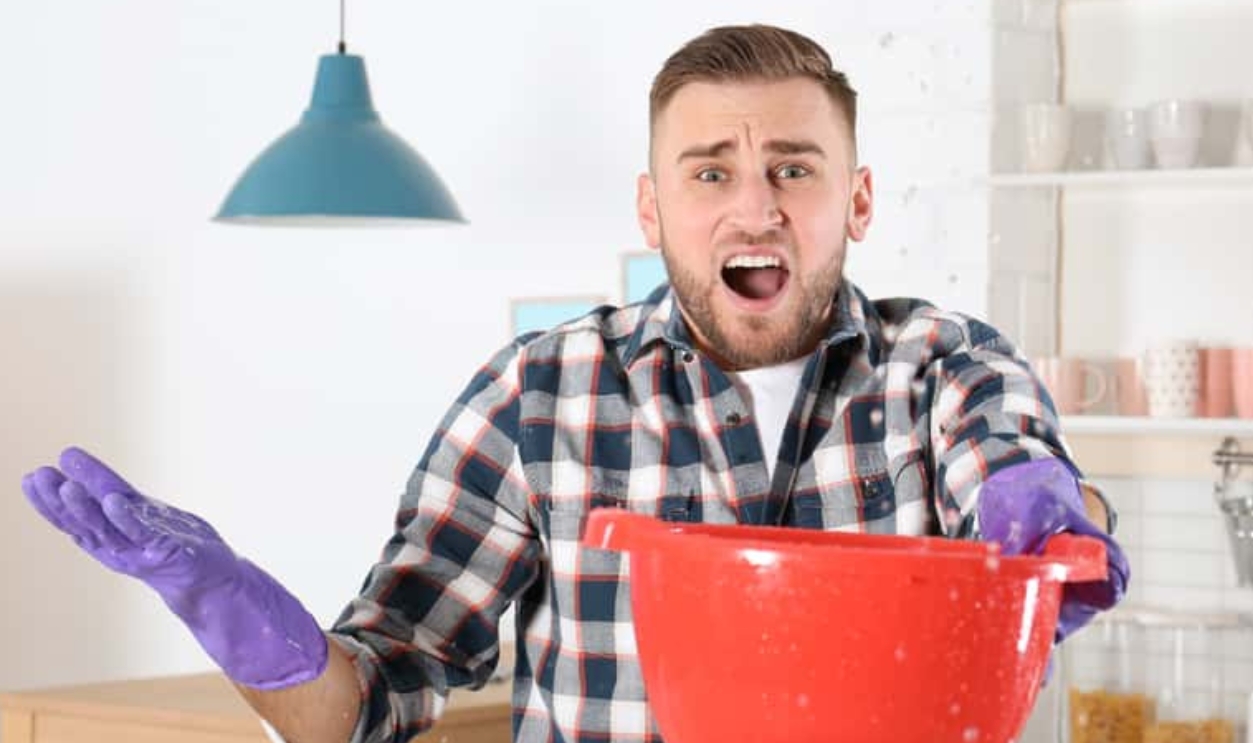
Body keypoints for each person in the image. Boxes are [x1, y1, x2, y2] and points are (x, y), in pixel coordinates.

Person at [20, 23, 1128, 743]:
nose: (755, 207)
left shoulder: (940, 365)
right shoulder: (538, 396)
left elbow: (1014, 457)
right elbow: (365, 698)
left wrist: (1044, 510)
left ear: (859, 200)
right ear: (651, 211)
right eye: (710, 172)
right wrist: (243, 624)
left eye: (793, 167)